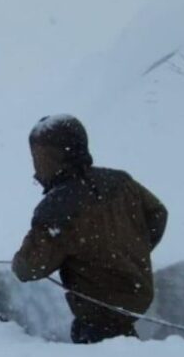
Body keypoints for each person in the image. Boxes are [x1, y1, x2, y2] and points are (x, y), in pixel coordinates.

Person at [11, 114, 168, 344]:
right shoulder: (120, 181)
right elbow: (157, 214)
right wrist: (132, 252)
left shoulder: (57, 207)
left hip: (97, 314)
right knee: (125, 354)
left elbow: (29, 268)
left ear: (48, 158)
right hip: (135, 299)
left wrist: (21, 258)